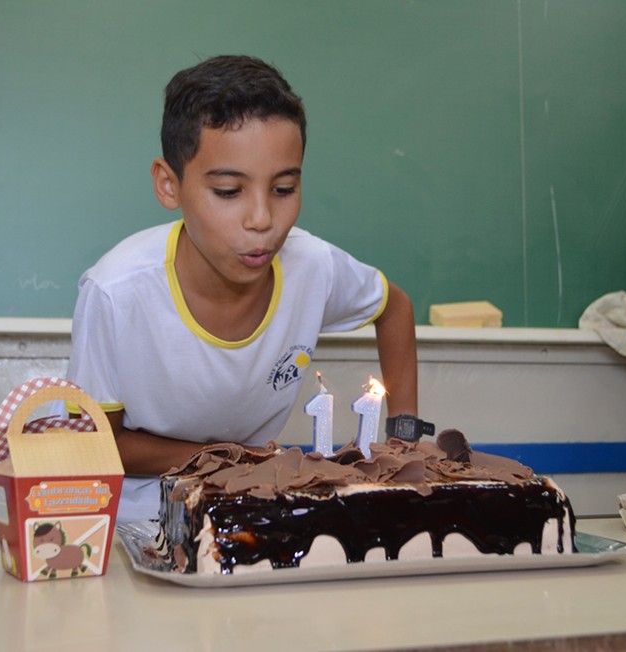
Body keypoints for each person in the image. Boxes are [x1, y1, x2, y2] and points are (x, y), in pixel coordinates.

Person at [65, 55, 425, 522]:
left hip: (259, 512)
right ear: (169, 185)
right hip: (136, 524)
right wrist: (231, 456)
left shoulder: (310, 265)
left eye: (283, 189)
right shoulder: (116, 294)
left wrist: (404, 439)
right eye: (229, 192)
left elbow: (394, 307)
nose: (262, 221)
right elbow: (97, 446)